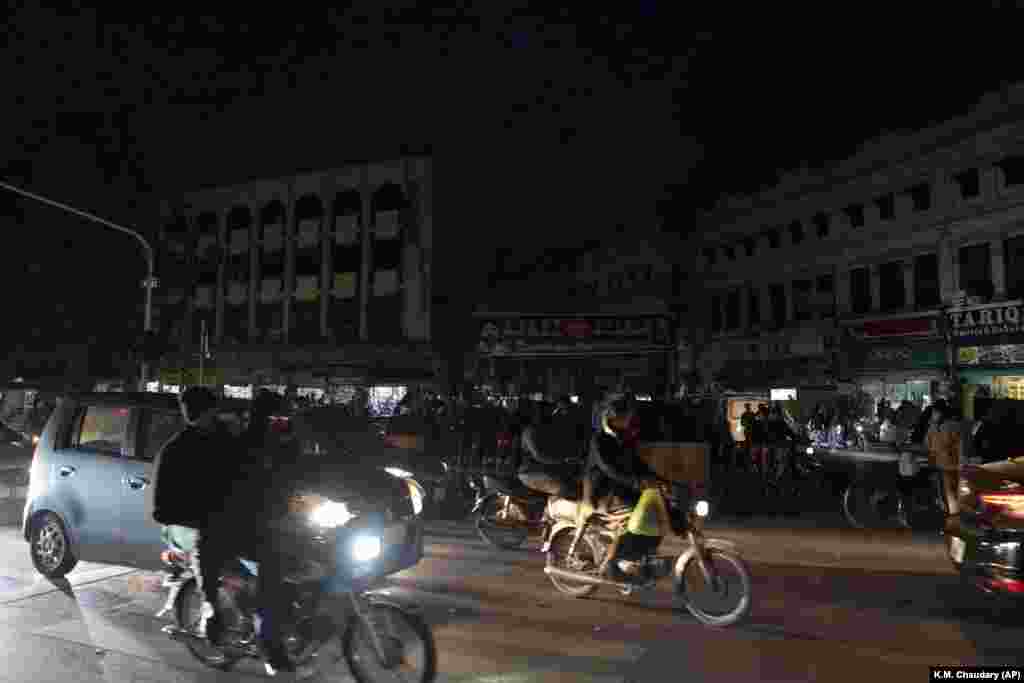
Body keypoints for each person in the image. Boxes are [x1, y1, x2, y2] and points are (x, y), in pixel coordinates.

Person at [151, 387, 238, 631]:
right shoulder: (177, 448)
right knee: (207, 545)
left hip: (222, 519)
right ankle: (211, 613)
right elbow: (161, 509)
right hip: (186, 525)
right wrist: (199, 517)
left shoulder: (226, 440)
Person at [584, 395, 660, 581]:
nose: (628, 420)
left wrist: (660, 480)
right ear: (612, 417)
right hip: (603, 490)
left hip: (622, 488)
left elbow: (638, 464)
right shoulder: (600, 439)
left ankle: (634, 557)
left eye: (628, 416)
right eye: (625, 416)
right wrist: (636, 482)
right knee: (634, 516)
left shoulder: (624, 439)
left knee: (654, 513)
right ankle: (611, 564)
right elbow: (609, 469)